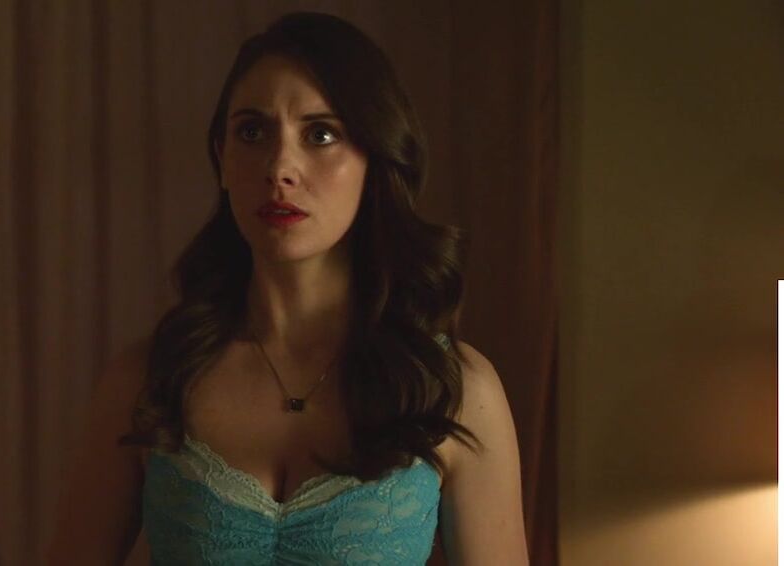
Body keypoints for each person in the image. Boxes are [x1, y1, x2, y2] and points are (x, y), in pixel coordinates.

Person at [45, 11, 528, 565]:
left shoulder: (454, 391)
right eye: (252, 132)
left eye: (320, 134)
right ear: (222, 158)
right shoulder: (148, 382)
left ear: (374, 158)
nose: (279, 167)